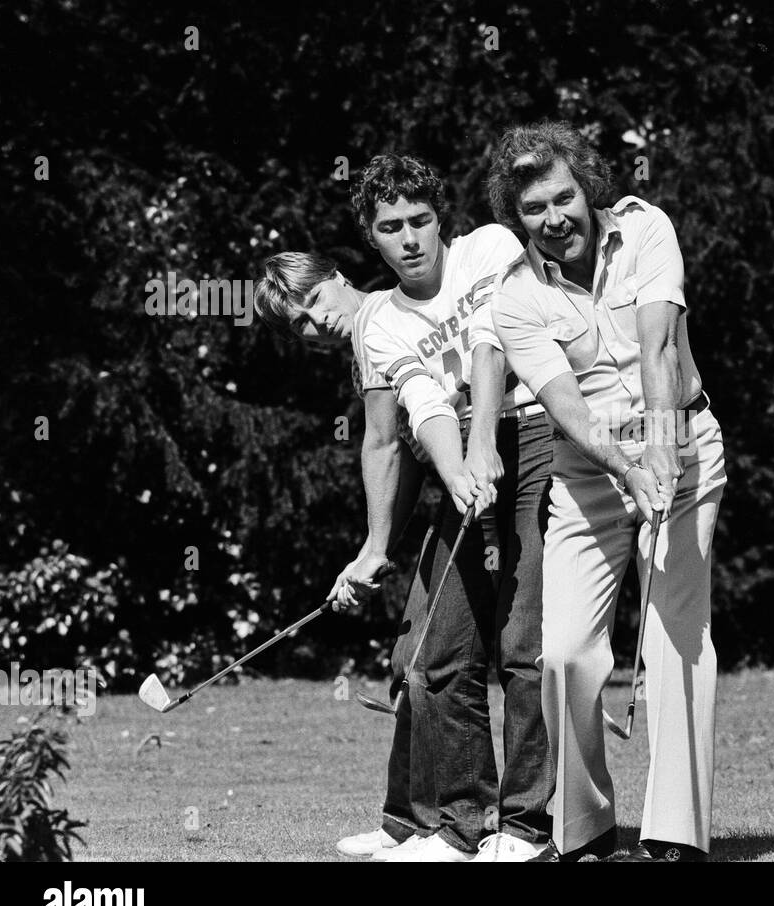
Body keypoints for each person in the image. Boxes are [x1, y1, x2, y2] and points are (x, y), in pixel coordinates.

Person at [487, 120, 728, 862]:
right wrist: (628, 469)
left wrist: (661, 453)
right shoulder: (515, 299)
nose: (555, 218)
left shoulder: (644, 228)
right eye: (534, 209)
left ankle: (676, 838)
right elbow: (567, 409)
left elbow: (658, 344)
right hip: (589, 471)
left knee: (675, 641)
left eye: (563, 197)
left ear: (585, 186)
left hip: (683, 445)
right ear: (515, 216)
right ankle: (585, 830)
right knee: (562, 651)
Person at [348, 153, 554, 862]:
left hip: (533, 434)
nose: (408, 238)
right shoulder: (381, 321)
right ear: (371, 237)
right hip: (467, 454)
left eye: (419, 220)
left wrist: (482, 439)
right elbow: (424, 403)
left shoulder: (490, 248)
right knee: (440, 652)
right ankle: (464, 826)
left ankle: (527, 828)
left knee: (525, 645)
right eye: (389, 227)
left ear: (443, 219)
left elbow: (492, 343)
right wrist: (459, 462)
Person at [253, 250, 435, 858]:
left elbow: (383, 444)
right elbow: (407, 456)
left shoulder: (381, 319)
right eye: (300, 321)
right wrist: (374, 549)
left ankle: (482, 826)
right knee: (415, 656)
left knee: (450, 657)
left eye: (314, 299)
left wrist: (375, 547)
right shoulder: (365, 347)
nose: (315, 319)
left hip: (505, 473)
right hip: (462, 493)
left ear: (339, 279)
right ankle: (408, 823)